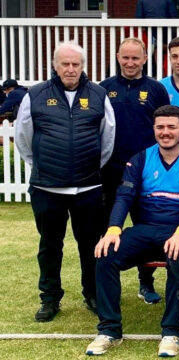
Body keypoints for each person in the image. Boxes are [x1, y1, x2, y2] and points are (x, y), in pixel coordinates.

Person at [85, 105, 179, 357]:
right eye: (160, 127)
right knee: (105, 255)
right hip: (145, 229)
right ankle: (109, 329)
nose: (166, 132)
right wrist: (113, 230)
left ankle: (172, 332)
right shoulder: (141, 158)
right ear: (154, 129)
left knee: (178, 257)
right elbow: (124, 195)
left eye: (171, 127)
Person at [14, 41, 115, 322]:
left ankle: (92, 294)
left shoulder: (98, 94)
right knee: (49, 245)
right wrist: (43, 166)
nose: (70, 69)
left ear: (83, 66)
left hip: (88, 187)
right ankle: (49, 298)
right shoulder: (34, 95)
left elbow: (107, 138)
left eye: (76, 64)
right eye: (65, 64)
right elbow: (24, 138)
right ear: (55, 65)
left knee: (90, 245)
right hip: (47, 188)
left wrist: (90, 168)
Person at [100, 37, 171, 305]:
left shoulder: (156, 89)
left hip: (145, 173)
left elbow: (165, 126)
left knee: (145, 228)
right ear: (118, 57)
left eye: (135, 58)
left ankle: (146, 282)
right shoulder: (104, 89)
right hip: (110, 172)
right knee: (108, 227)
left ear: (144, 59)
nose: (130, 63)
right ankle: (107, 286)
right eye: (125, 57)